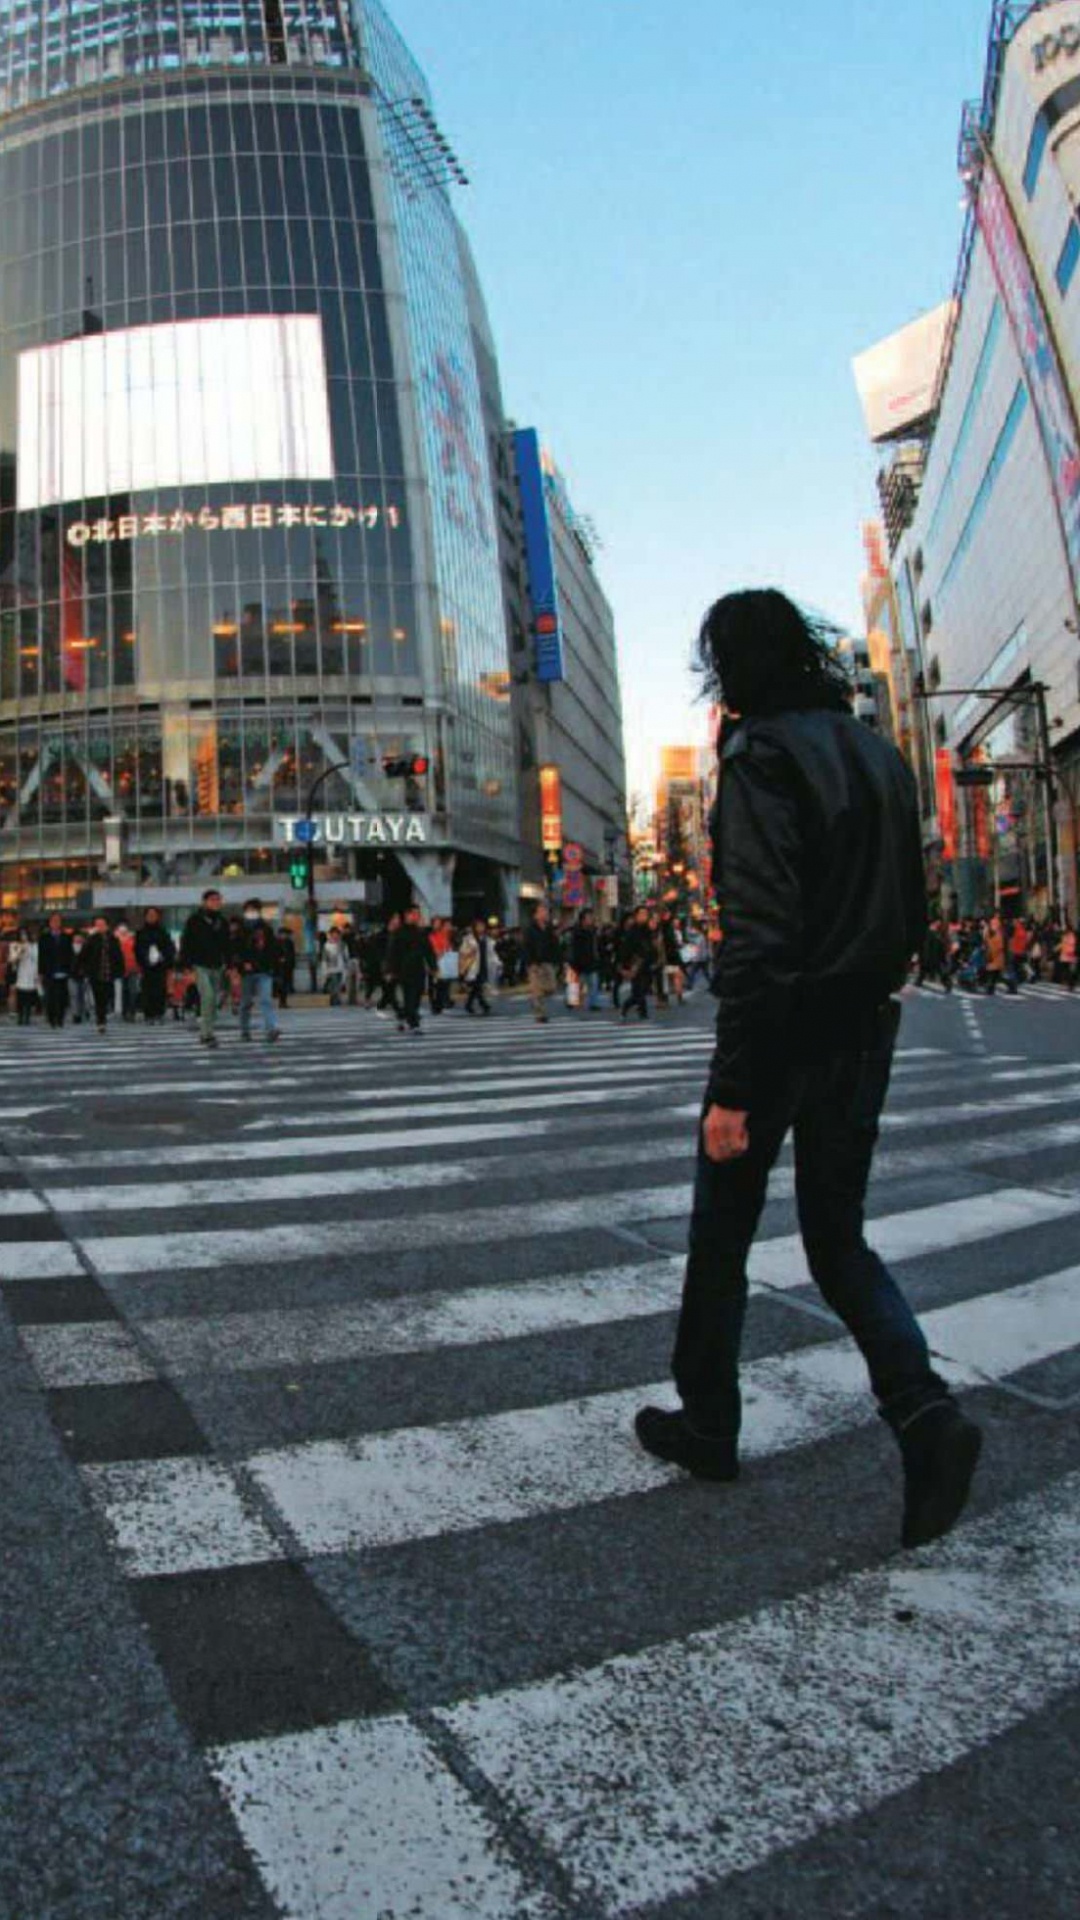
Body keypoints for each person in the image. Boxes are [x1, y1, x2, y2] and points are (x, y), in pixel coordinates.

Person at [635, 588, 981, 1551]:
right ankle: (925, 1418)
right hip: (863, 1028)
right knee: (839, 1241)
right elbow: (911, 914)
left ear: (729, 665)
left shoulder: (760, 758)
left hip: (780, 1032)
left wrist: (737, 1086)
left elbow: (759, 935)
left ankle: (709, 1426)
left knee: (721, 1238)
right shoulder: (877, 753)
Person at [180, 888, 232, 1048]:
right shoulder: (194, 920)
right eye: (212, 900)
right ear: (204, 902)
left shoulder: (222, 922)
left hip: (217, 965)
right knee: (207, 996)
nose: (216, 902)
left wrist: (229, 965)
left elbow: (227, 945)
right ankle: (206, 1034)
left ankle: (209, 1030)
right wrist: (186, 967)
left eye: (218, 899)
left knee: (212, 1001)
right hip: (199, 965)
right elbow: (186, 943)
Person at [235, 899, 281, 1043]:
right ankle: (244, 1031)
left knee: (266, 1000)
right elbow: (236, 950)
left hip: (264, 970)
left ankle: (271, 1028)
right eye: (248, 910)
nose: (251, 913)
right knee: (246, 1003)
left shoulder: (266, 929)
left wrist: (273, 966)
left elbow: (272, 950)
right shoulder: (240, 930)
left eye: (254, 910)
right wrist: (241, 964)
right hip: (246, 971)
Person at [385, 904, 434, 1033]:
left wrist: (434, 967)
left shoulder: (421, 932)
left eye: (419, 914)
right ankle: (414, 1024)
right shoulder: (399, 933)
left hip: (419, 970)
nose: (418, 916)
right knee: (409, 997)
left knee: (416, 997)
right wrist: (390, 970)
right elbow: (392, 953)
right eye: (415, 913)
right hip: (404, 970)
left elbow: (428, 951)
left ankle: (403, 1016)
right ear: (407, 915)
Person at [79, 916, 125, 1034]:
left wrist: (120, 971)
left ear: (107, 926)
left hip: (109, 973)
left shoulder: (113, 939)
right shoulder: (91, 939)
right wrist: (84, 970)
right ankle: (101, 1021)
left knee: (107, 996)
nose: (100, 927)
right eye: (97, 925)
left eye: (102, 925)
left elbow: (118, 956)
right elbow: (83, 956)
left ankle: (103, 1016)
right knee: (99, 998)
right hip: (95, 973)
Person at [135, 907, 176, 1024]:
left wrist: (164, 958)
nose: (151, 917)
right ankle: (149, 1013)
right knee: (147, 989)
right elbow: (137, 949)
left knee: (160, 989)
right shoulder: (141, 932)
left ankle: (159, 1012)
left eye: (154, 915)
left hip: (160, 966)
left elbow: (169, 948)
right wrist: (144, 959)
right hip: (146, 966)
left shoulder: (163, 932)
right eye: (149, 915)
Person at [523, 903, 561, 1023]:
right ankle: (540, 1014)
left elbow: (555, 945)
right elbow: (526, 946)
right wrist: (530, 962)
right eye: (542, 911)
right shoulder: (530, 929)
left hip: (547, 961)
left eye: (545, 911)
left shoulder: (549, 928)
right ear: (535, 915)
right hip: (534, 963)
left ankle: (536, 1001)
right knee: (537, 990)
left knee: (551, 987)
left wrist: (558, 960)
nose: (545, 913)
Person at [37, 912, 75, 1029]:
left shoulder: (67, 937)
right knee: (51, 996)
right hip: (49, 970)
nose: (56, 923)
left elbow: (70, 954)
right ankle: (52, 1018)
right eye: (53, 921)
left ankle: (60, 1018)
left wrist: (71, 969)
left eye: (58, 921)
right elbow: (41, 956)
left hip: (63, 970)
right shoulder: (44, 938)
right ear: (50, 923)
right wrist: (40, 972)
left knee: (62, 995)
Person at [618, 906, 655, 1021]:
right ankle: (640, 1012)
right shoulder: (632, 931)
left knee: (643, 990)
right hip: (635, 964)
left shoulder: (647, 930)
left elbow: (651, 947)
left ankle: (629, 1007)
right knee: (638, 990)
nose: (644, 916)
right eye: (641, 914)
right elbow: (626, 949)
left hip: (647, 964)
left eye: (646, 914)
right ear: (636, 916)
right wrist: (625, 966)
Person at [567, 909, 603, 1011]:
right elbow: (573, 947)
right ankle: (572, 1001)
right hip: (577, 961)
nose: (591, 920)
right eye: (589, 918)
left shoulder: (593, 931)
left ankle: (593, 1003)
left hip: (591, 960)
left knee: (593, 983)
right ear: (582, 920)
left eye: (591, 917)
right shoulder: (576, 932)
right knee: (576, 982)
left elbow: (596, 946)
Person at [459, 917, 493, 1016]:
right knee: (476, 986)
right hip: (472, 965)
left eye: (482, 926)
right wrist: (470, 953)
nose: (481, 928)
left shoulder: (485, 938)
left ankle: (469, 1004)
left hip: (483, 964)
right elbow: (462, 952)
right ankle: (484, 1005)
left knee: (476, 987)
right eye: (479, 926)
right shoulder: (468, 939)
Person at [11, 927, 39, 1026]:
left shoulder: (34, 946)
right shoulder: (15, 945)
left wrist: (37, 973)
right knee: (21, 996)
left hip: (31, 973)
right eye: (22, 934)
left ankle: (27, 1016)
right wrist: (21, 951)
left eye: (25, 934)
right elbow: (13, 960)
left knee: (29, 996)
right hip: (21, 973)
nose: (24, 936)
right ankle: (20, 1016)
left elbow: (37, 959)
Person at [275, 925, 297, 1010]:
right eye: (283, 934)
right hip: (280, 967)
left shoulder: (289, 942)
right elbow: (275, 954)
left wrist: (291, 963)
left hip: (288, 967)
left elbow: (292, 954)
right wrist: (279, 959)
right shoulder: (277, 942)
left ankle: (284, 1002)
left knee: (286, 985)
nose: (285, 936)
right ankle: (281, 1001)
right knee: (281, 984)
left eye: (286, 934)